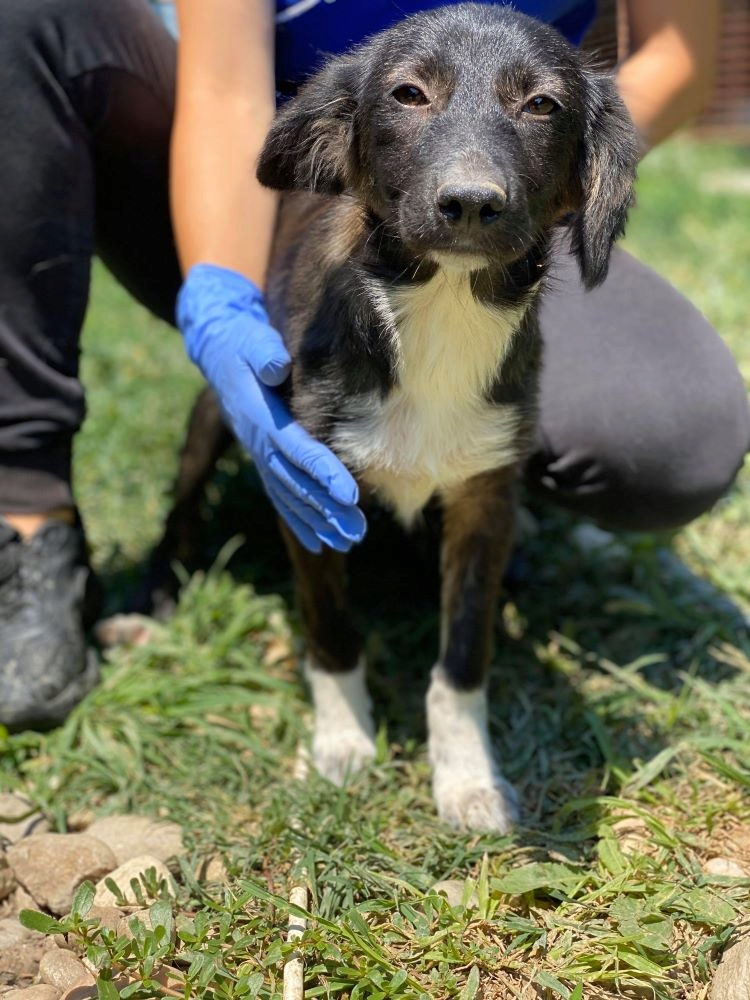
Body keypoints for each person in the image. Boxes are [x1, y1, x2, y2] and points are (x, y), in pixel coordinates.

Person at [0, 0, 747, 731]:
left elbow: (676, 54)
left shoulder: (520, 166)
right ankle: (27, 519)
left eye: (539, 103)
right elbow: (228, 89)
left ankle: (459, 486)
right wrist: (222, 292)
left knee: (678, 433)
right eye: (415, 94)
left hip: (518, 204)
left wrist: (545, 180)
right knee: (33, 15)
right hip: (282, 164)